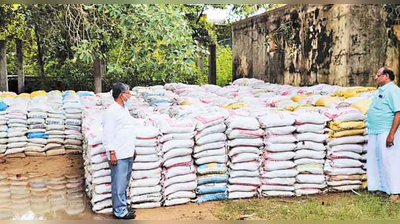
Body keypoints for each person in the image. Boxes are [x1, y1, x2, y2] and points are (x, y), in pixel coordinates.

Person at [102, 82, 137, 219]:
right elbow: (107, 134)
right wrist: (112, 152)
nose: (130, 95)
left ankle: (124, 206)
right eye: (128, 93)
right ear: (121, 95)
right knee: (118, 183)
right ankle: (120, 211)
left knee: (125, 182)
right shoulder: (111, 111)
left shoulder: (124, 109)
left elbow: (126, 130)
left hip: (127, 151)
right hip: (119, 153)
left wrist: (133, 148)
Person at [367, 67, 400, 202]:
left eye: (378, 75)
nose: (375, 77)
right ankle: (381, 188)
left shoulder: (393, 91)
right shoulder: (381, 90)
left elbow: (398, 113)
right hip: (375, 131)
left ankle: (395, 192)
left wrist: (391, 134)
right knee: (377, 161)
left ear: (386, 76)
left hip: (386, 131)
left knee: (390, 161)